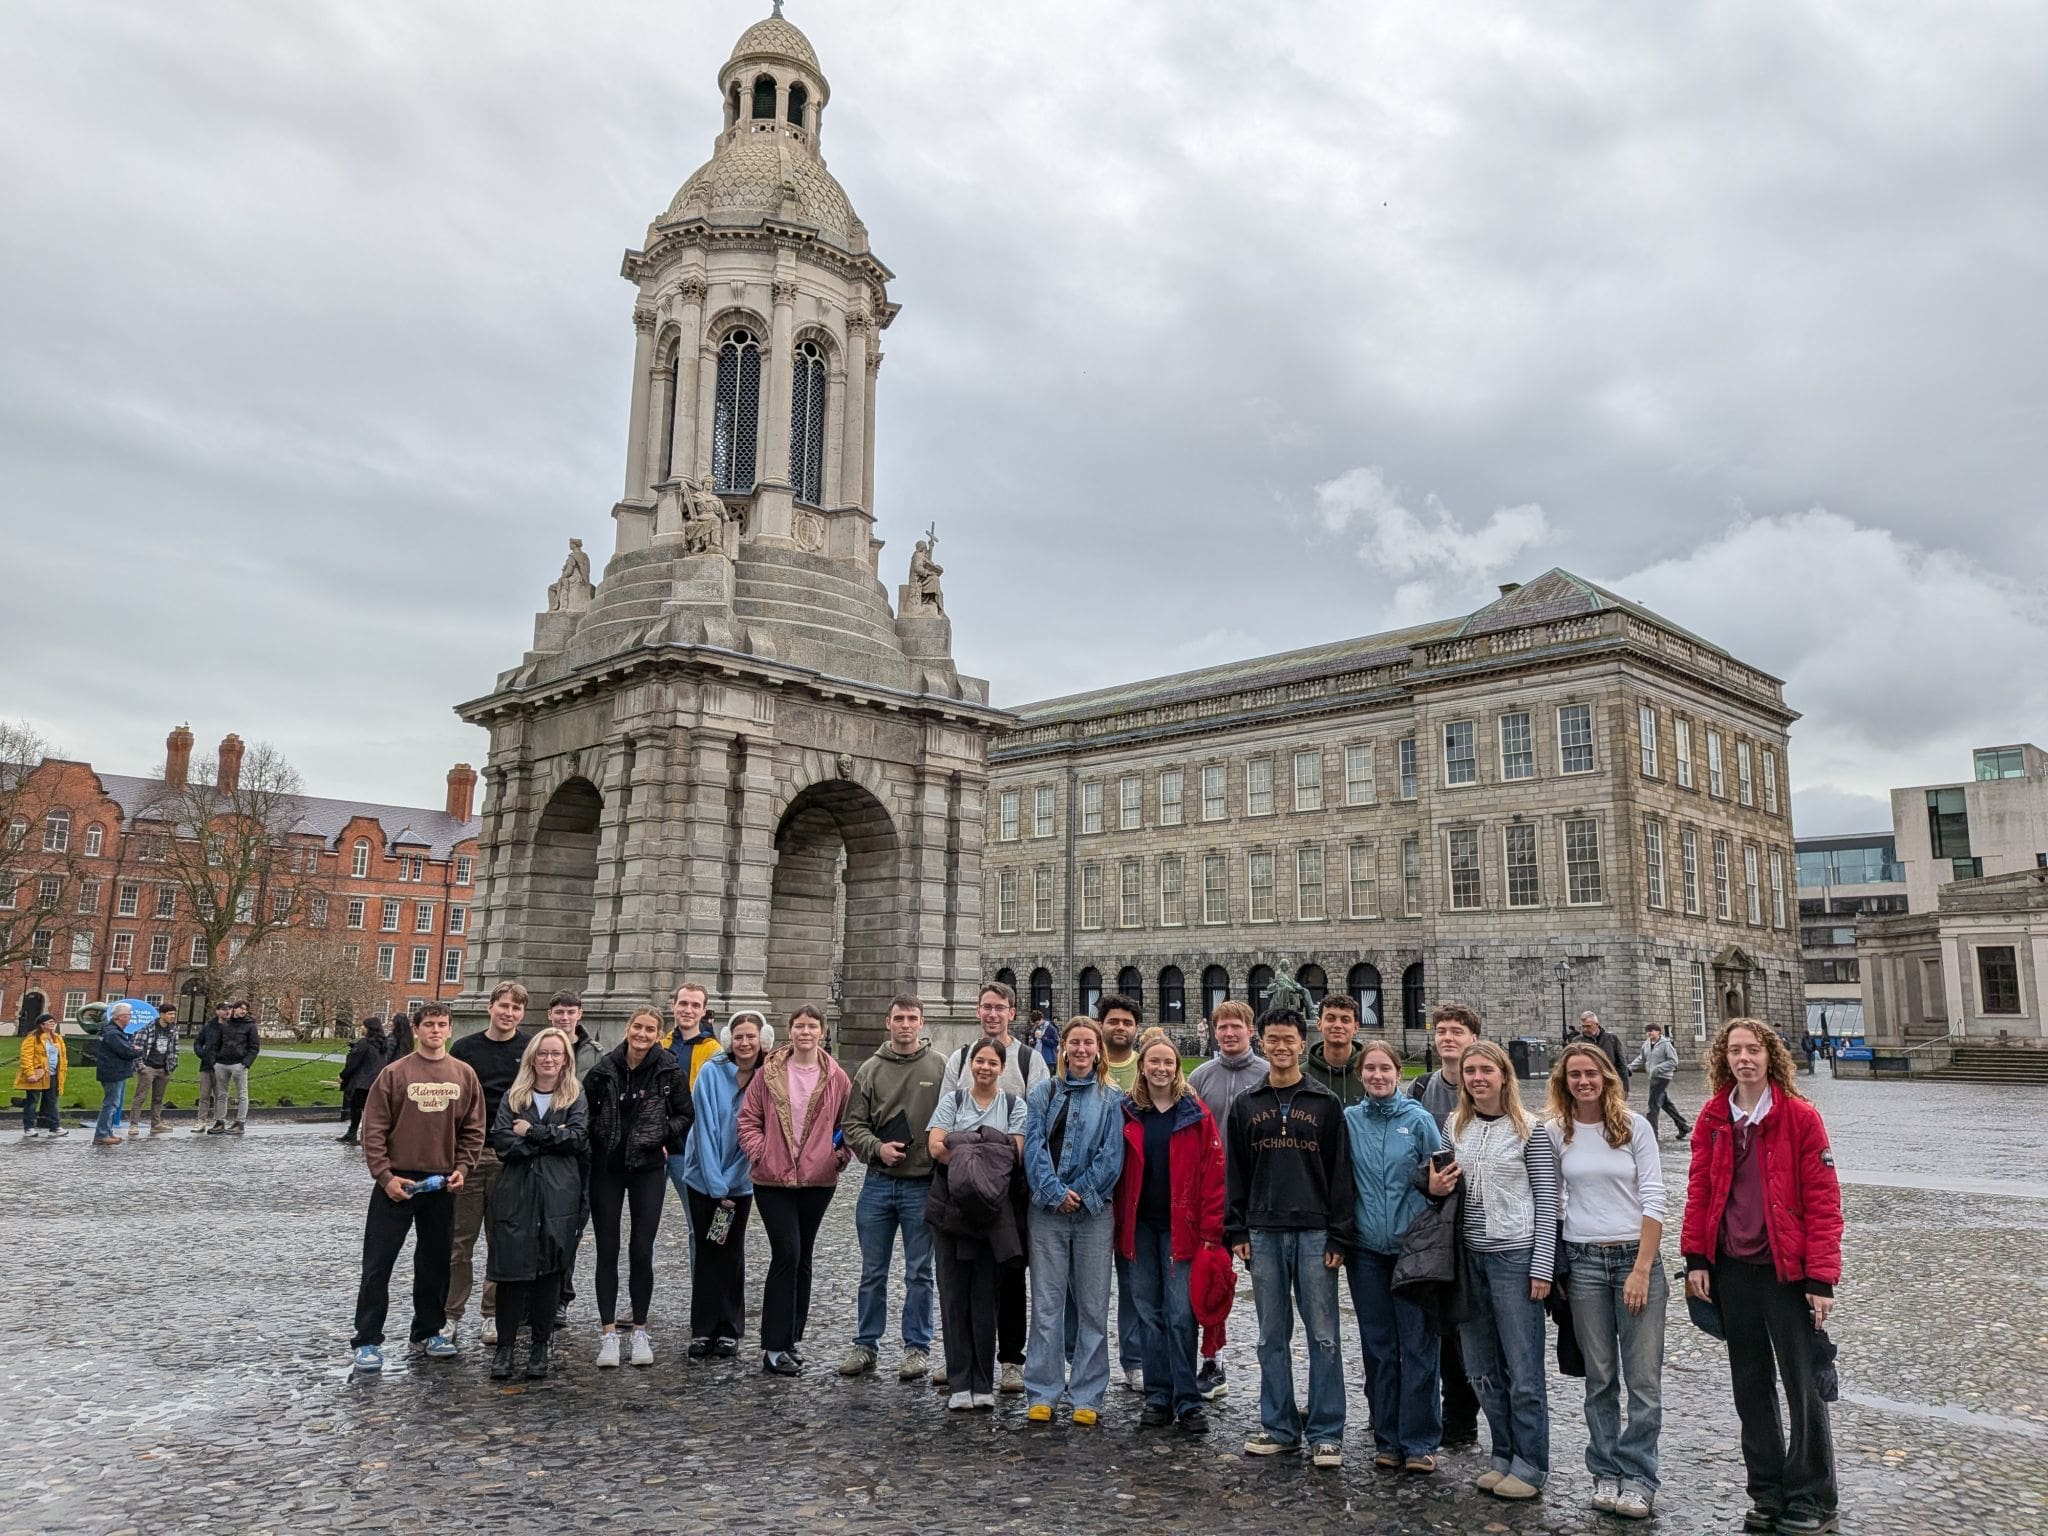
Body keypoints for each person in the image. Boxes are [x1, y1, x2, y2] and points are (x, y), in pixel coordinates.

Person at [1682, 1018, 1843, 1536]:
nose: (1744, 1058)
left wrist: (1820, 1278)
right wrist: (1696, 1260)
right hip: (1732, 1268)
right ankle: (1767, 1490)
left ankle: (1812, 1493)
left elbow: (1823, 1203)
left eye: (1753, 1049)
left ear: (1770, 1056)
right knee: (1750, 1386)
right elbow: (1700, 1192)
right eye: (1735, 1050)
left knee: (1802, 1385)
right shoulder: (1713, 1116)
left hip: (1787, 1272)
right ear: (1723, 1058)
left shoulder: (1800, 1117)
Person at [1226, 1006, 1353, 1468]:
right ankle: (1279, 1425)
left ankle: (1326, 1430)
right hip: (1262, 1231)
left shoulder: (1325, 1104)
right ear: (1262, 1042)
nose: (1281, 1047)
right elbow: (1235, 1172)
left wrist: (1340, 1235)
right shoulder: (1246, 1105)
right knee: (1270, 1336)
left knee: (1323, 1336)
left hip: (1316, 1232)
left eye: (1289, 1039)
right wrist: (1236, 1227)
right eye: (1273, 1039)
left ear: (1303, 1043)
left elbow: (1341, 1176)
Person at [1548, 1042, 1668, 1520]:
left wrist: (1641, 1268)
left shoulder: (1634, 1128)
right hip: (1583, 1264)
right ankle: (1604, 1469)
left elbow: (1655, 1196)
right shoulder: (1558, 1132)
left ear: (1606, 1077)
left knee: (1643, 1380)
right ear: (1564, 1082)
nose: (1584, 1081)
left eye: (1591, 1073)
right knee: (1599, 1377)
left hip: (1633, 1261)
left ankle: (1639, 1475)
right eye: (1575, 1074)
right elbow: (1551, 1199)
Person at [1449, 1038, 1559, 1501]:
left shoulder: (1530, 1130)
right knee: (1480, 1368)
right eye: (1470, 1071)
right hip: (1469, 1258)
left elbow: (1548, 1200)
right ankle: (1503, 1452)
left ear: (1503, 1076)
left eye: (1485, 1071)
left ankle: (1531, 1462)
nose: (1477, 1078)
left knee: (1523, 1369)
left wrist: (1542, 1265)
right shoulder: (1455, 1125)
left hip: (1515, 1257)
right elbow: (1444, 1188)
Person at [350, 1001, 485, 1372]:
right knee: (378, 1265)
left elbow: (474, 1129)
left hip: (441, 1181)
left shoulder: (464, 1075)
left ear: (450, 1029)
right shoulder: (395, 1074)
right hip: (398, 1180)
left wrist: (463, 1167)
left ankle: (428, 1330)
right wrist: (384, 1176)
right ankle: (367, 1339)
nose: (436, 1031)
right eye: (429, 1025)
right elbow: (373, 1129)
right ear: (417, 1028)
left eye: (442, 1025)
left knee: (435, 1263)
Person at [937, 980, 1050, 1392]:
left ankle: (1010, 1359)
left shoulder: (1029, 1060)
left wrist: (987, 1151)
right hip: (963, 1185)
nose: (992, 1014)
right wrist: (987, 1148)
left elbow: (1036, 1120)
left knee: (1010, 1269)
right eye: (985, 1007)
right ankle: (961, 1357)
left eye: (999, 1008)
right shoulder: (960, 1058)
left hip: (1011, 1185)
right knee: (961, 1274)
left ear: (1012, 1013)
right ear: (978, 1012)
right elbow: (944, 1121)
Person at [1115, 1027, 1225, 1434]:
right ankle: (1158, 1397)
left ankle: (1188, 1399)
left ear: (1177, 1068)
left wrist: (1212, 1230)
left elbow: (1213, 1175)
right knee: (1148, 1313)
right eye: (1153, 1062)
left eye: (1167, 1062)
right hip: (1141, 1229)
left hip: (1184, 1230)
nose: (1160, 1068)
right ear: (1142, 1067)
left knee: (1181, 1314)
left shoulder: (1195, 1114)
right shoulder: (1128, 1111)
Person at [1344, 1038, 1447, 1474]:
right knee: (1379, 1347)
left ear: (1398, 1072)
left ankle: (1420, 1439)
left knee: (1419, 1345)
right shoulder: (1349, 1120)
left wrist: (1432, 1190)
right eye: (1370, 1069)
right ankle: (1386, 1437)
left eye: (1385, 1068)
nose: (1378, 1076)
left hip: (1413, 1251)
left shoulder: (1419, 1120)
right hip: (1367, 1250)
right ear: (1360, 1075)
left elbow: (1441, 1179)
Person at [1021, 1016, 1125, 1426]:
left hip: (1094, 1213)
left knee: (1092, 1306)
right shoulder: (1042, 1093)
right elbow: (1033, 1149)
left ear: (1098, 1050)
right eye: (1074, 1043)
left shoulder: (1113, 1098)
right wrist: (1053, 1193)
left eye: (1088, 1043)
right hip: (1046, 1212)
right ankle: (1043, 1390)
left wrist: (1081, 1192)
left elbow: (1112, 1155)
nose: (1081, 1050)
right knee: (1046, 1305)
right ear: (1062, 1047)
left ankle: (1088, 1393)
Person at [739, 1004, 852, 1376]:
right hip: (772, 1179)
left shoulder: (836, 1076)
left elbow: (848, 1123)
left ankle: (791, 1340)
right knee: (786, 1253)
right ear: (790, 1031)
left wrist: (837, 1157)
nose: (805, 1032)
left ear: (822, 1032)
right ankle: (773, 1346)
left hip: (817, 1181)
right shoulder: (769, 1071)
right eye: (799, 1026)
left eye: (812, 1026)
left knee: (803, 1257)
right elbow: (749, 1119)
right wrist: (760, 1153)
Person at [839, 994, 943, 1382]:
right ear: (888, 1023)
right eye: (898, 1017)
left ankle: (917, 1348)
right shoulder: (869, 1069)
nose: (905, 1024)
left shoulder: (940, 1066)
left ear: (921, 1023)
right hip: (879, 1184)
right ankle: (866, 1344)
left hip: (922, 1185)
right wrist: (876, 1148)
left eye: (911, 1018)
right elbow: (852, 1126)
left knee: (920, 1273)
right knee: (872, 1271)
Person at [585, 1005, 692, 1368]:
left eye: (649, 1029)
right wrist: (599, 1139)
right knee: (607, 1249)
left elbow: (685, 1114)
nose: (642, 1034)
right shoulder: (603, 1070)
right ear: (628, 1028)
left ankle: (641, 1329)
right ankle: (608, 1334)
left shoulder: (669, 1071)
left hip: (648, 1168)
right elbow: (587, 1114)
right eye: (637, 1027)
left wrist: (661, 1134)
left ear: (657, 1033)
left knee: (641, 1249)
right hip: (607, 1169)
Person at [925, 1036, 1027, 1408]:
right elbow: (936, 1147)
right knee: (953, 1296)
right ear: (970, 1065)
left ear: (1002, 1068)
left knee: (986, 1298)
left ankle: (983, 1383)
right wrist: (987, 1145)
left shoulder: (1015, 1105)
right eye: (979, 1061)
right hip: (949, 1213)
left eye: (992, 1062)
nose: (985, 1067)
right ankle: (959, 1384)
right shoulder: (952, 1101)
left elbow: (1015, 1154)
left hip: (993, 1214)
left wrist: (963, 1144)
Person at [485, 1027, 589, 1381]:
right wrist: (549, 1140)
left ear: (566, 1060)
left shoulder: (575, 1096)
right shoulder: (514, 1097)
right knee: (512, 1273)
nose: (549, 1060)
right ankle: (505, 1346)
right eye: (543, 1053)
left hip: (560, 1194)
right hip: (517, 1191)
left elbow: (576, 1139)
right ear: (533, 1057)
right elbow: (501, 1142)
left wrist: (530, 1132)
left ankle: (540, 1346)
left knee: (550, 1272)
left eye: (556, 1054)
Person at [1408, 1000, 1484, 1446]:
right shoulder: (1421, 1090)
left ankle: (1466, 1413)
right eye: (1442, 1031)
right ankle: (1446, 1413)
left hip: (1479, 1221)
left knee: (1470, 1324)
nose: (1448, 1037)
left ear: (1473, 1038)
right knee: (1438, 1321)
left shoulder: (1487, 1085)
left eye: (1457, 1030)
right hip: (1436, 1221)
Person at [443, 981, 532, 1349]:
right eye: (503, 1005)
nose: (508, 1012)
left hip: (508, 1156)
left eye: (516, 1008)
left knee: (502, 1241)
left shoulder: (529, 1049)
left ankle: (492, 1313)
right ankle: (449, 1315)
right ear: (490, 1007)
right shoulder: (465, 1048)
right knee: (459, 1243)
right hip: (469, 1156)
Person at [1187, 997, 1267, 1400]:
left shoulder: (1268, 1075)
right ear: (1214, 1031)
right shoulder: (1201, 1077)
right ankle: (1212, 1359)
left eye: (1237, 1026)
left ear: (1250, 1030)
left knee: (1268, 1285)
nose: (1230, 1033)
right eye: (1223, 1027)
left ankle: (1275, 1364)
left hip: (1259, 1197)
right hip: (1214, 1198)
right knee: (1212, 1281)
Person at [679, 1011, 772, 1358]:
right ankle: (703, 1328)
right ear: (730, 1039)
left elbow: (762, 1132)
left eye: (751, 1036)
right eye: (739, 1036)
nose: (745, 1043)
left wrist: (734, 1184)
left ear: (763, 1040)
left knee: (731, 1253)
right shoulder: (711, 1072)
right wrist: (718, 1186)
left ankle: (730, 1328)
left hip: (742, 1184)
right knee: (706, 1252)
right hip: (703, 1179)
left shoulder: (767, 1077)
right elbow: (704, 1130)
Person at [1094, 992, 1146, 1392]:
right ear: (1101, 1025)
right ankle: (1079, 1360)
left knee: (1133, 1285)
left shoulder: (1145, 1071)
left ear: (1135, 1029)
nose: (1120, 1028)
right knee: (1086, 1286)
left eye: (1127, 1022)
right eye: (1113, 1021)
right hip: (1092, 1197)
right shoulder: (1085, 1066)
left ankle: (1134, 1359)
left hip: (1137, 1196)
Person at [545, 990, 599, 1323]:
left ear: (580, 1014)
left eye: (571, 1012)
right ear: (550, 1015)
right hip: (541, 1150)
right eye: (559, 1012)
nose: (565, 1018)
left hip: (580, 1151)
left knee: (571, 1227)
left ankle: (561, 1296)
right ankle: (533, 1295)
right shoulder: (536, 1050)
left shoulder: (595, 1055)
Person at [1626, 1022, 1691, 1141]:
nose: (1649, 1033)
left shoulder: (1666, 1044)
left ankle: (1652, 1134)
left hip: (1663, 1077)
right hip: (1653, 1077)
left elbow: (1673, 1061)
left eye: (1652, 1030)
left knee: (1653, 1105)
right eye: (1648, 1031)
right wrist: (1630, 1067)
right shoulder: (1646, 1044)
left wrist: (1658, 1068)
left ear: (1658, 1032)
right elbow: (1642, 1058)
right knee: (1666, 1103)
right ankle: (1683, 1126)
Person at [1302, 993, 1366, 1107]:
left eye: (1345, 1020)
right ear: (1319, 1024)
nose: (1337, 1025)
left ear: (1356, 1027)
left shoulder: (1369, 1073)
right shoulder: (1302, 1075)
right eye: (1330, 1019)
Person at [91, 1003, 141, 1146]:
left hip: (115, 1071)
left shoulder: (114, 1031)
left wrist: (131, 1048)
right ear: (120, 1017)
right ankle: (101, 1134)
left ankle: (107, 1131)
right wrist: (137, 1050)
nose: (130, 1019)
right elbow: (126, 1052)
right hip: (113, 1072)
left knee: (113, 1103)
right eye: (128, 1016)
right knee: (110, 1104)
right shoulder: (113, 1033)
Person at [209, 1000, 262, 1135]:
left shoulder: (250, 1026)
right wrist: (214, 1061)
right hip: (221, 1062)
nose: (243, 1011)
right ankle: (220, 1121)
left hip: (238, 1063)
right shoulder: (225, 1024)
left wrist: (245, 1063)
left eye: (245, 1009)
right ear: (234, 1009)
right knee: (221, 1094)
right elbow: (216, 1043)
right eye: (240, 1008)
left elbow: (254, 1047)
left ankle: (240, 1122)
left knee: (242, 1094)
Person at [127, 1009, 180, 1138]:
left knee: (158, 1098)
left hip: (164, 1067)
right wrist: (141, 1067)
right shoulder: (148, 1028)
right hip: (148, 1067)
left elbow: (175, 1049)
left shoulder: (173, 1030)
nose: (172, 1016)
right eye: (169, 1014)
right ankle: (134, 1124)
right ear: (161, 1014)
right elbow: (137, 1047)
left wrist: (172, 1065)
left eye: (173, 1014)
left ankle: (156, 1123)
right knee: (140, 1097)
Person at [15, 1012, 68, 1139]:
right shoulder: (32, 1038)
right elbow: (26, 1057)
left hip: (53, 1074)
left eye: (53, 1022)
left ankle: (54, 1126)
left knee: (52, 1101)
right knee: (32, 1101)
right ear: (41, 1025)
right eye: (49, 1022)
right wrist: (30, 1073)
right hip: (38, 1074)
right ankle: (29, 1127)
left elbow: (63, 1057)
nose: (52, 1024)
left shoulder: (57, 1038)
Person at [337, 1016, 388, 1144]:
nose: (361, 1028)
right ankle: (370, 1134)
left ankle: (352, 1132)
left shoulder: (364, 1043)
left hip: (362, 1082)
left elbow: (353, 1063)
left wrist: (343, 1075)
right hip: (376, 1081)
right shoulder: (382, 1043)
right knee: (371, 1110)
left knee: (356, 1108)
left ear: (369, 1028)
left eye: (364, 1026)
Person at [665, 982, 721, 1086]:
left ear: (704, 1011)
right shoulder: (661, 1045)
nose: (688, 1010)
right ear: (673, 1006)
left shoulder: (715, 1052)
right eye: (683, 1003)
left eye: (695, 1005)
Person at [190, 1002, 227, 1134]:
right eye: (223, 1009)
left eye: (228, 1009)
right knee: (204, 1095)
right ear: (217, 1011)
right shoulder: (209, 1026)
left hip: (222, 1066)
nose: (226, 1012)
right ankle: (201, 1120)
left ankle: (219, 1120)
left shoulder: (231, 1027)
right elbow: (198, 1041)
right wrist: (201, 1053)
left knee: (220, 1095)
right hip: (206, 1065)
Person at [1576, 1011, 1631, 1094]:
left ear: (1596, 1024)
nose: (1585, 1029)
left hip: (1610, 1082)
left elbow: (1621, 1064)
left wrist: (1625, 1087)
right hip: (1588, 1083)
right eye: (1583, 1026)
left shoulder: (1611, 1039)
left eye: (1588, 1026)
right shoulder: (1577, 1041)